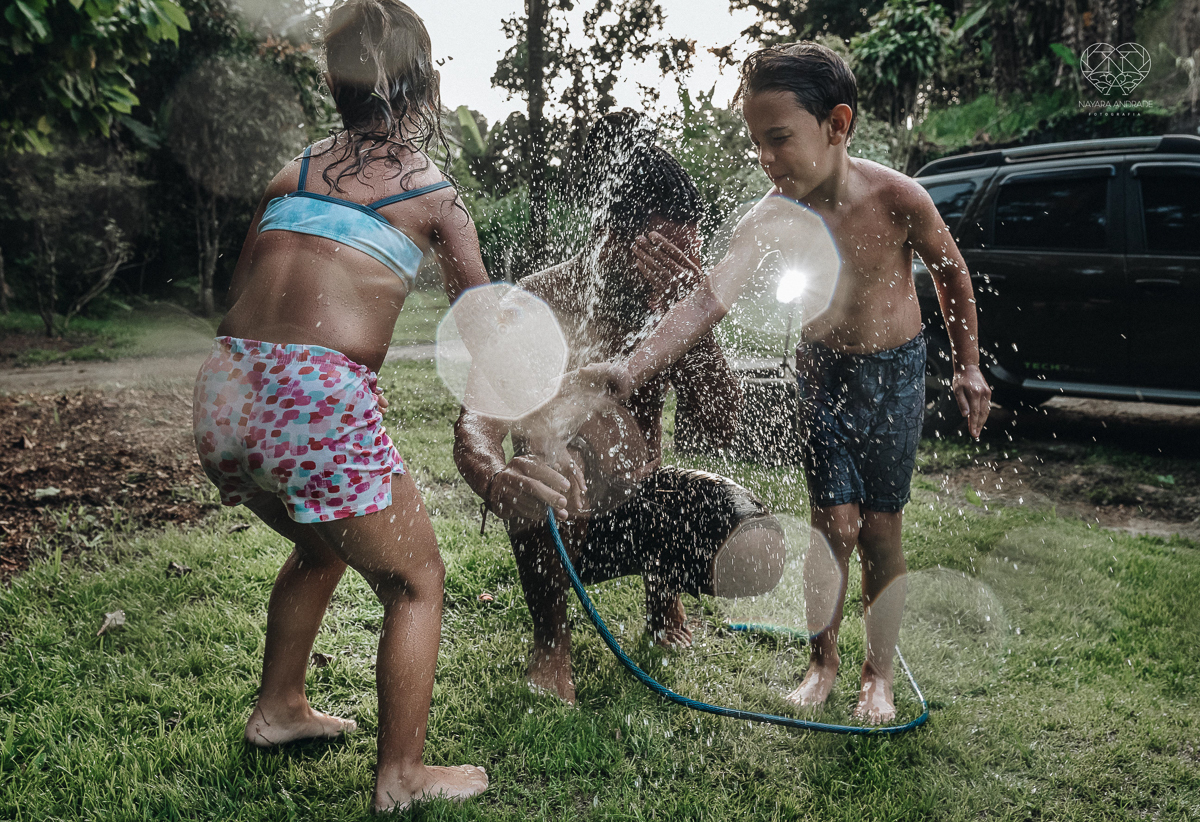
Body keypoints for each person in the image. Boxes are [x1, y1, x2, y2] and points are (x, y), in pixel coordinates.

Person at [583, 43, 991, 723]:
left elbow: (951, 273)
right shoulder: (771, 216)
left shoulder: (898, 198)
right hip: (822, 367)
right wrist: (630, 368)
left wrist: (970, 366)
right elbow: (706, 300)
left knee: (882, 529)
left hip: (894, 372)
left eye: (779, 140)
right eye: (756, 145)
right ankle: (822, 662)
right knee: (833, 523)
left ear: (837, 124)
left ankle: (877, 676)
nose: (767, 160)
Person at [192, 0, 489, 811]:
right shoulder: (434, 194)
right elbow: (486, 321)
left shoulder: (290, 173)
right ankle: (402, 776)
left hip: (226, 390)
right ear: (426, 82)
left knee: (323, 546)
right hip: (313, 401)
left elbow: (251, 292)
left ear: (334, 78)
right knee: (416, 580)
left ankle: (279, 709)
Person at [453, 111, 787, 704]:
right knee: (556, 465)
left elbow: (722, 422)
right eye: (660, 252)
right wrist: (493, 475)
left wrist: (693, 322)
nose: (676, 266)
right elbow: (477, 417)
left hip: (640, 498)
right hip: (559, 515)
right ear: (612, 237)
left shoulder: (672, 304)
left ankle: (664, 604)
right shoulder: (543, 299)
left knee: (756, 543)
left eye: (688, 251)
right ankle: (550, 646)